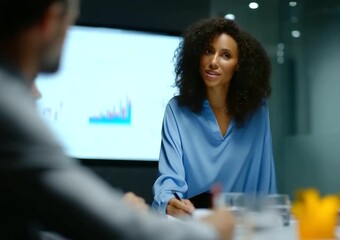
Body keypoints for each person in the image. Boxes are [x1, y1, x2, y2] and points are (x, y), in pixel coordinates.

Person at [0, 0, 236, 239]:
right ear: (49, 21)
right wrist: (208, 230)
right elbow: (119, 228)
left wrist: (116, 213)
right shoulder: (7, 106)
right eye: (70, 26)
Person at [152, 17, 277, 216]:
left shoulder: (257, 112)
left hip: (245, 227)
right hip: (192, 224)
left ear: (238, 65)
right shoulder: (176, 110)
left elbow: (265, 181)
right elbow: (169, 180)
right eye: (208, 51)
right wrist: (168, 201)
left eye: (225, 55)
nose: (213, 62)